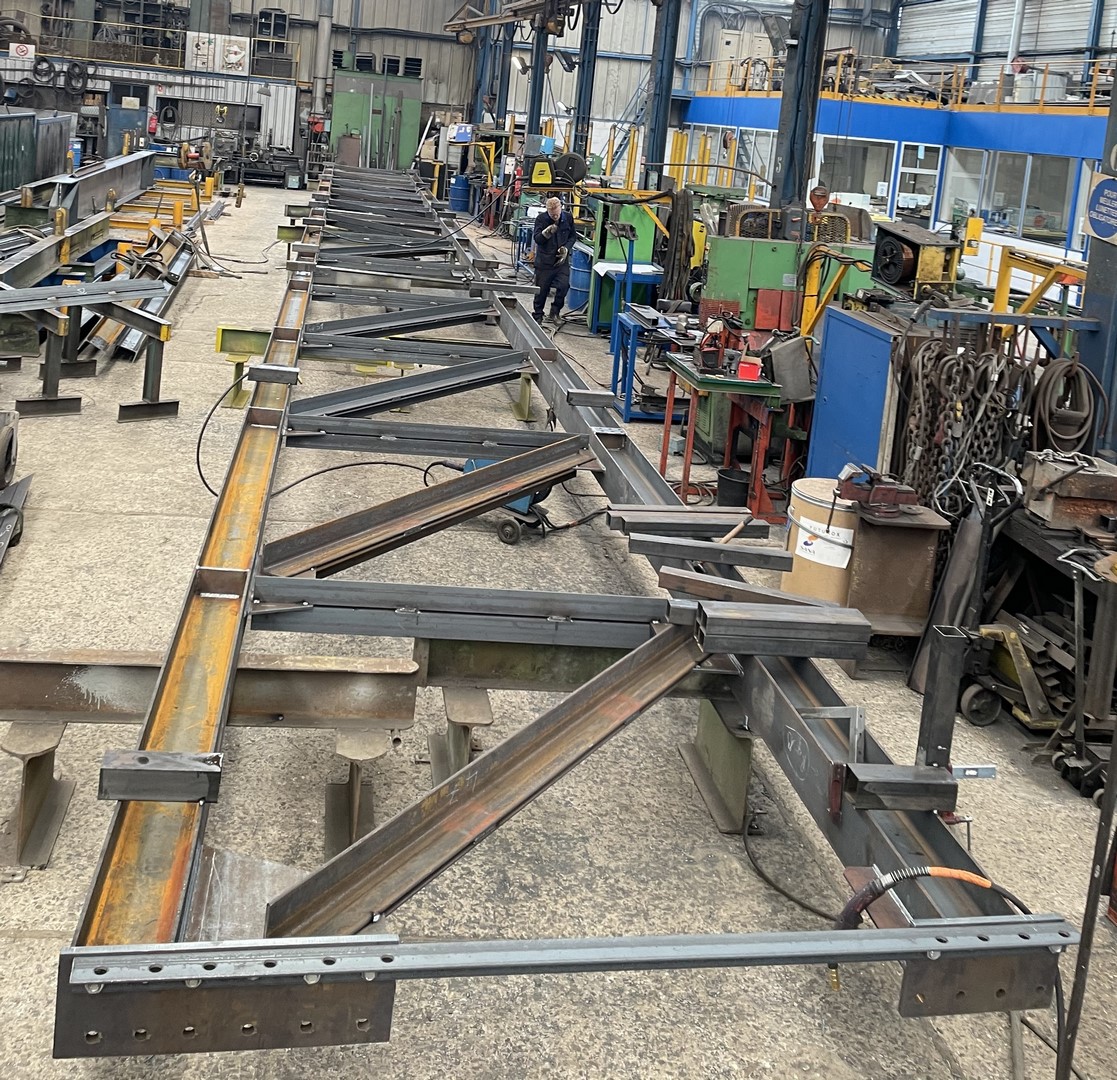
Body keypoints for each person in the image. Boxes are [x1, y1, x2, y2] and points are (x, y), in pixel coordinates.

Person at [531, 196, 576, 325]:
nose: (555, 217)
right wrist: (546, 233)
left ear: (561, 208)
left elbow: (572, 237)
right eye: (552, 215)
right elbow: (537, 239)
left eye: (557, 214)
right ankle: (538, 315)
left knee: (563, 286)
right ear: (548, 211)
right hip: (545, 262)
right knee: (541, 290)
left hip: (561, 262)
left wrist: (566, 248)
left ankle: (555, 312)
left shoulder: (568, 218)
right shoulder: (541, 219)